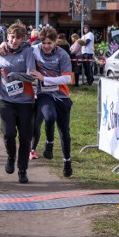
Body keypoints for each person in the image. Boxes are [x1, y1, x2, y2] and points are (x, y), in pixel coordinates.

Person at [0, 22, 36, 183]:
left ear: (23, 39)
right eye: (12, 37)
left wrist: (16, 75)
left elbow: (31, 75)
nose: (15, 40)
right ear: (7, 37)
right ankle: (10, 157)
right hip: (6, 100)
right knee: (8, 134)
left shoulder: (28, 52)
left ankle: (22, 169)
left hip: (26, 101)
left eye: (18, 38)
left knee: (25, 137)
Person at [30, 26, 74, 177]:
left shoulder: (63, 55)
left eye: (50, 43)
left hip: (62, 95)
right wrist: (3, 46)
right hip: (44, 94)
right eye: (44, 43)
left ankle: (67, 161)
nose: (47, 46)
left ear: (56, 42)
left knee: (65, 133)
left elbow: (67, 78)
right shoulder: (34, 50)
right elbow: (18, 46)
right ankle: (49, 142)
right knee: (49, 116)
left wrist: (44, 78)